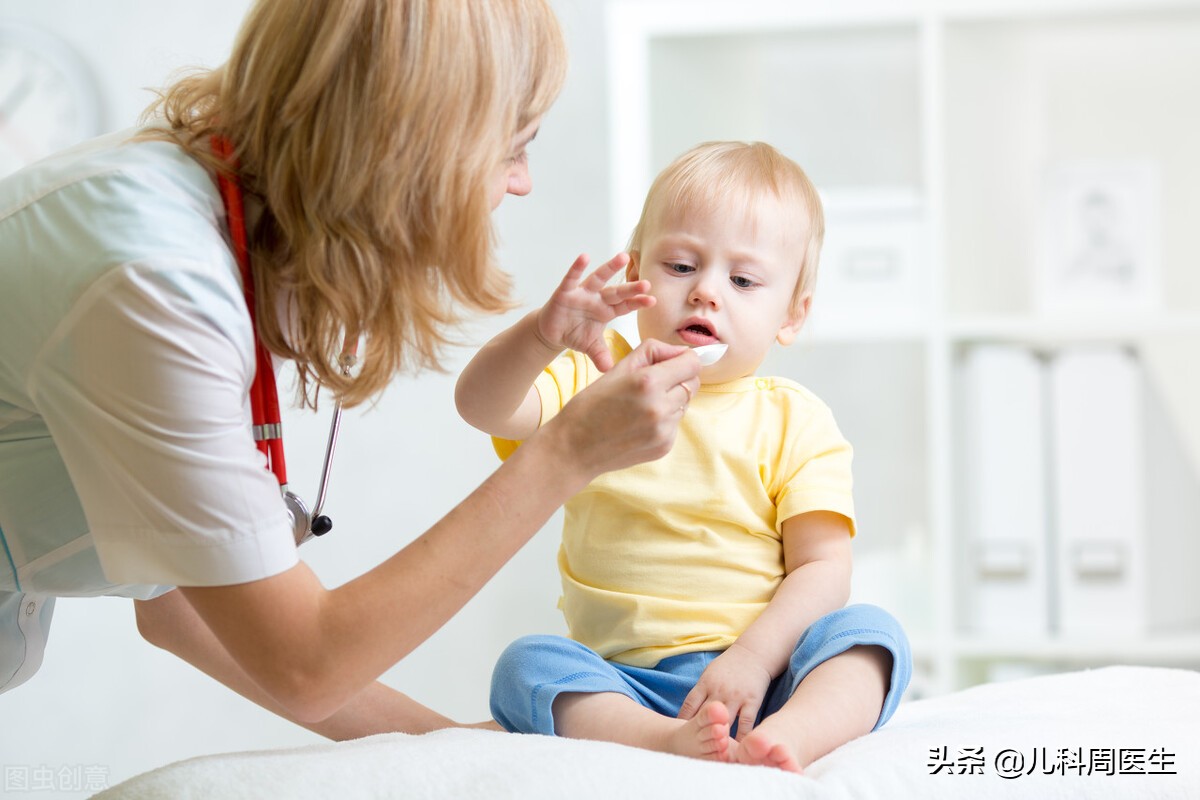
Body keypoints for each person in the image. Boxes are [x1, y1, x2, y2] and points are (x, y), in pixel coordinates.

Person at [0, 0, 702, 740]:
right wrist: (568, 451)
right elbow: (302, 663)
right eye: (513, 147)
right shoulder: (154, 279)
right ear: (413, 150)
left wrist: (452, 751)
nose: (520, 183)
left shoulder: (215, 224)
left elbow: (185, 603)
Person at [455, 141, 912, 772]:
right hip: (623, 683)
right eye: (679, 267)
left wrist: (752, 660)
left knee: (871, 638)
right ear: (637, 272)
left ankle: (792, 739)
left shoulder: (794, 420)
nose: (706, 293)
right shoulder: (598, 379)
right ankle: (659, 740)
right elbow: (481, 407)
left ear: (792, 314)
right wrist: (540, 336)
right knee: (526, 667)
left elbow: (824, 569)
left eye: (743, 280)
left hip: (765, 681)